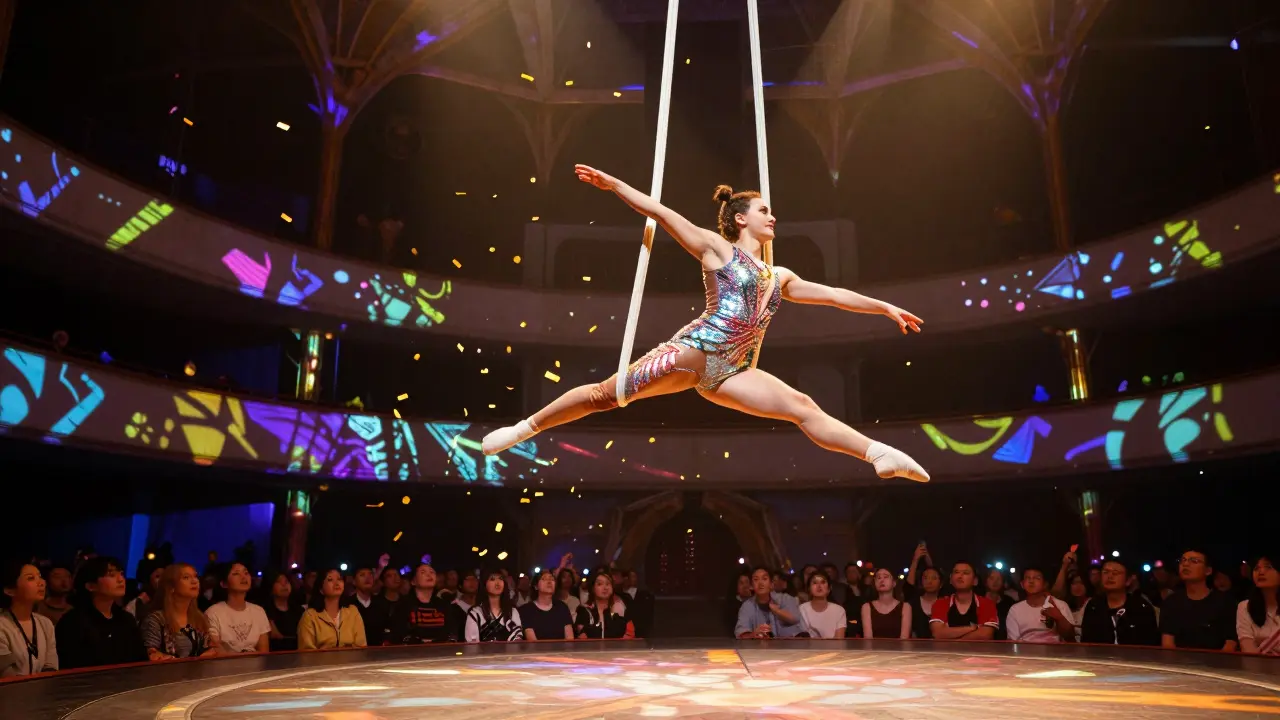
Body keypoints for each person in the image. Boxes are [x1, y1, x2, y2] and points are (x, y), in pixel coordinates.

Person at [482, 169, 929, 484]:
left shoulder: (781, 276)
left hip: (731, 373)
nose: (773, 217)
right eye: (764, 210)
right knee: (606, 396)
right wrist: (616, 185)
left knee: (802, 405)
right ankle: (524, 430)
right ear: (741, 219)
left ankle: (878, 454)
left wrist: (884, 307)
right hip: (694, 350)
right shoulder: (718, 249)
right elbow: (662, 214)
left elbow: (834, 296)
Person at [56, 556, 146, 669]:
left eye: (121, 574)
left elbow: (140, 659)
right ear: (91, 586)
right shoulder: (73, 621)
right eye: (111, 575)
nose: (121, 579)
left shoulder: (126, 619)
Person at [1160, 549, 1238, 651]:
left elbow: (1230, 642)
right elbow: (1168, 643)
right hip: (1180, 663)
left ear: (1208, 570)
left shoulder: (1225, 601)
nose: (1186, 564)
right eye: (1183, 560)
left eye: (1194, 561)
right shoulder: (1171, 602)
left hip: (1217, 663)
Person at [140, 564, 219, 661]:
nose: (195, 581)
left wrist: (209, 653)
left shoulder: (199, 618)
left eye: (195, 576)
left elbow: (212, 649)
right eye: (186, 577)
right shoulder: (156, 619)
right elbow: (152, 655)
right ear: (171, 587)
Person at [1079, 559, 1160, 646]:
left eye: (1115, 573)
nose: (1110, 576)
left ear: (1128, 580)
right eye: (1106, 572)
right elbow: (1086, 642)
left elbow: (1150, 645)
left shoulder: (1141, 607)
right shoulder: (1093, 606)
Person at [0, 561, 58, 676]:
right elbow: (6, 675)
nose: (41, 583)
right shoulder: (2, 624)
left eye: (40, 577)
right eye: (31, 578)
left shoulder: (45, 623)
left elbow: (51, 666)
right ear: (10, 591)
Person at [204, 562, 270, 654]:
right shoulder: (213, 612)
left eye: (246, 573)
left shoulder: (258, 611)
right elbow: (215, 650)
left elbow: (264, 652)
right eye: (236, 574)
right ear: (224, 584)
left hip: (255, 667)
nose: (243, 577)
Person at [297, 568, 366, 650]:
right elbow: (306, 652)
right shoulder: (310, 616)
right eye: (330, 580)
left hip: (350, 662)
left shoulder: (352, 611)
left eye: (339, 579)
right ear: (321, 589)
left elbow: (361, 647)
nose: (337, 583)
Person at [1005, 567, 1075, 643]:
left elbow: (1070, 637)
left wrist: (1059, 617)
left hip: (1055, 652)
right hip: (1025, 652)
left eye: (1037, 578)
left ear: (1045, 584)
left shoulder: (1060, 605)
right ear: (1022, 584)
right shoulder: (1015, 609)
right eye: (1028, 578)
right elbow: (1013, 642)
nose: (1031, 581)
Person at [930, 562, 998, 640]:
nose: (960, 576)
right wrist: (972, 628)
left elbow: (986, 635)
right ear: (951, 579)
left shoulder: (987, 604)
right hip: (947, 652)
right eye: (956, 572)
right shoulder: (940, 603)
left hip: (977, 652)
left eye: (966, 573)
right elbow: (938, 633)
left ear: (975, 581)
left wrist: (954, 640)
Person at [735, 566, 806, 639]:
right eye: (756, 579)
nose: (760, 583)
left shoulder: (785, 599)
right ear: (751, 586)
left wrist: (777, 611)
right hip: (761, 648)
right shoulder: (747, 606)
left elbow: (795, 618)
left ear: (771, 585)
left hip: (790, 647)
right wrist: (753, 634)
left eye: (764, 579)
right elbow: (740, 633)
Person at [390, 563, 451, 644]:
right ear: (413, 581)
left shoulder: (444, 605)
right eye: (423, 572)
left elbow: (451, 632)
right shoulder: (403, 605)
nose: (429, 575)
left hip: (440, 653)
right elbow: (398, 635)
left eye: (432, 572)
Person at [575, 567, 635, 639]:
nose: (605, 587)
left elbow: (629, 637)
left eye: (608, 584)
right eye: (600, 584)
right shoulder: (584, 611)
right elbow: (581, 639)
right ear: (593, 588)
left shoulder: (621, 610)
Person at [1237, 554, 1280, 655]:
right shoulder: (1245, 606)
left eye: (1268, 567)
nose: (1261, 572)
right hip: (1259, 667)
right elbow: (1248, 649)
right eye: (1256, 568)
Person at [465, 570, 524, 642]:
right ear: (484, 584)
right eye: (492, 579)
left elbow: (517, 640)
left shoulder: (512, 612)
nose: (497, 582)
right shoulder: (475, 613)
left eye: (500, 579)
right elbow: (472, 645)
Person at [520, 569, 574, 641]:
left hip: (562, 651)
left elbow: (570, 639)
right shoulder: (526, 610)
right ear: (536, 586)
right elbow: (532, 641)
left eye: (552, 579)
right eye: (544, 579)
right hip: (538, 651)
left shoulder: (562, 607)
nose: (549, 582)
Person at [861, 568, 911, 639]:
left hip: (898, 649)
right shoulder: (866, 607)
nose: (882, 580)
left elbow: (904, 639)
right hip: (874, 649)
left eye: (886, 577)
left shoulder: (905, 607)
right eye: (878, 578)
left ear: (894, 583)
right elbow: (868, 639)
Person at [260, 570, 303, 651]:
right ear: (270, 587)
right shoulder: (263, 611)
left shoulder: (299, 610)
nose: (284, 585)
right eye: (279, 582)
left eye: (286, 581)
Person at [799, 572, 847, 638]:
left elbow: (839, 641)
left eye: (823, 582)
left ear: (829, 589)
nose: (819, 586)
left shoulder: (839, 610)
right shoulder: (801, 609)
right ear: (809, 588)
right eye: (815, 583)